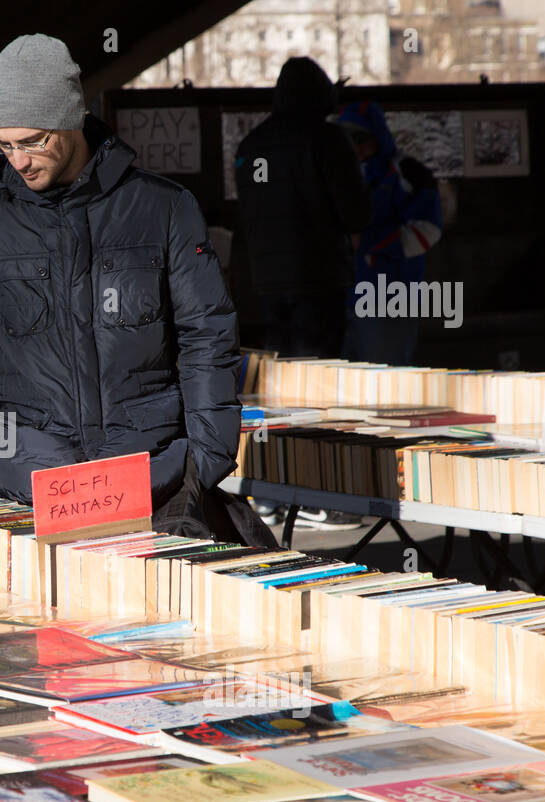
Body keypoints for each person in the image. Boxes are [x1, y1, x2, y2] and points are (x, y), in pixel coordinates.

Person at [0, 34, 259, 543]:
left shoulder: (163, 207)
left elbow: (207, 338)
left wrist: (206, 457)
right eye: (4, 144)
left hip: (154, 475)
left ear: (72, 119)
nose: (18, 160)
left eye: (34, 140)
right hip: (30, 479)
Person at [235, 56, 370, 531]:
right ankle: (314, 496)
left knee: (274, 395)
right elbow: (355, 211)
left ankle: (269, 494)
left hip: (265, 288)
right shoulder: (326, 139)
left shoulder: (252, 144)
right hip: (318, 281)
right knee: (318, 391)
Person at [335, 100, 444, 365]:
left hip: (390, 300)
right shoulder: (340, 176)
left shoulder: (407, 172)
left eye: (360, 137)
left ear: (377, 136)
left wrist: (368, 242)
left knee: (384, 387)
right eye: (346, 138)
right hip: (343, 301)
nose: (354, 146)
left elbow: (427, 230)